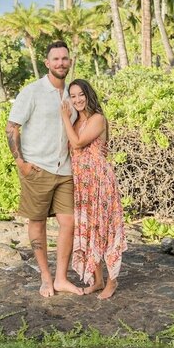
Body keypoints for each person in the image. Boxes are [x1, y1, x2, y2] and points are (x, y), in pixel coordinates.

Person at [6, 42, 83, 298]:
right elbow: (11, 128)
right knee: (37, 222)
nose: (61, 63)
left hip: (65, 170)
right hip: (37, 168)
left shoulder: (72, 94)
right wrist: (21, 164)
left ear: (69, 62)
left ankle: (61, 278)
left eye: (65, 58)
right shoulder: (32, 92)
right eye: (56, 59)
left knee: (68, 222)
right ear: (47, 63)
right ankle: (45, 277)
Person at [59, 79, 127, 300]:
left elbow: (77, 144)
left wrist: (64, 118)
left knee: (104, 229)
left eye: (81, 95)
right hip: (82, 183)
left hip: (100, 181)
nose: (77, 100)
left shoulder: (98, 119)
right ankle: (97, 280)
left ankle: (112, 281)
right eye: (73, 96)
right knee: (89, 229)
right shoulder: (76, 120)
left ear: (88, 95)